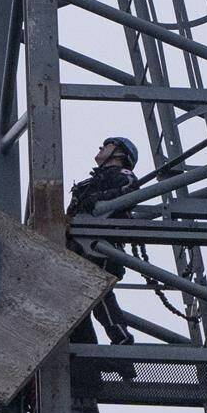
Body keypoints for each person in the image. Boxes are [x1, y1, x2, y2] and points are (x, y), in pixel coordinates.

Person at [68, 136, 139, 348]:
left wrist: (99, 199)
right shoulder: (87, 184)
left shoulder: (122, 175)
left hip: (104, 247)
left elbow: (130, 190)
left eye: (107, 145)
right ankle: (85, 345)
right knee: (81, 298)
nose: (101, 147)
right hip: (81, 247)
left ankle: (122, 339)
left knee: (98, 294)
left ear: (120, 153)